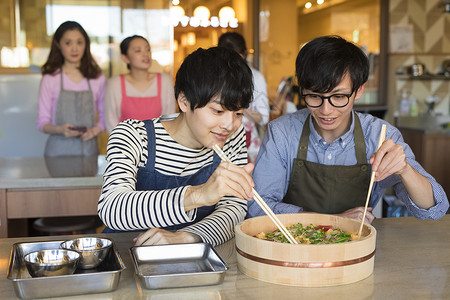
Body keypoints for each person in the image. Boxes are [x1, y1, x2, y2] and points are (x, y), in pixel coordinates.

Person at [248, 35, 449, 222]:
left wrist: (406, 170)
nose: (326, 111)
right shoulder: (282, 133)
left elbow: (434, 210)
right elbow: (258, 206)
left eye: (338, 97)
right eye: (314, 96)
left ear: (359, 90)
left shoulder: (379, 136)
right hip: (292, 248)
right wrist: (332, 221)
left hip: (357, 250)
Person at [98, 47, 255, 247]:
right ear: (184, 101)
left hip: (193, 255)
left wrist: (187, 237)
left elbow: (234, 208)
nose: (229, 124)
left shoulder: (231, 137)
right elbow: (113, 208)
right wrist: (199, 195)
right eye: (218, 111)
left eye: (238, 113)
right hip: (129, 253)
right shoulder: (133, 135)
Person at [37, 21, 105, 157]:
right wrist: (59, 129)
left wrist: (95, 130)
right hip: (57, 153)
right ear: (58, 45)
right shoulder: (50, 78)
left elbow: (105, 117)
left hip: (89, 151)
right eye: (68, 43)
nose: (75, 49)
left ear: (86, 45)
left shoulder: (97, 77)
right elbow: (42, 122)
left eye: (79, 42)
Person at [104, 35, 176, 133]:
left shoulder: (165, 81)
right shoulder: (115, 84)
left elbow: (170, 120)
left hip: (158, 145)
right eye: (138, 50)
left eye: (148, 50)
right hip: (124, 145)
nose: (145, 54)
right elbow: (110, 121)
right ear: (125, 58)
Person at [218, 32, 270, 162]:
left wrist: (238, 108)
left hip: (247, 147)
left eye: (236, 57)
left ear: (244, 54)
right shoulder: (214, 77)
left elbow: (263, 117)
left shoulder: (256, 78)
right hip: (216, 145)